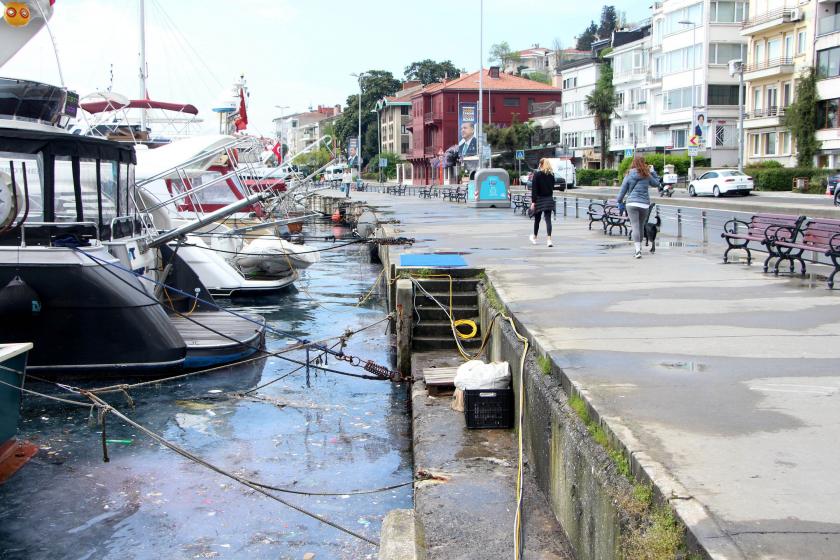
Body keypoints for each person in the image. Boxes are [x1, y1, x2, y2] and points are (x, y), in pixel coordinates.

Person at [616, 155, 660, 259]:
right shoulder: (647, 174)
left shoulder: (629, 174)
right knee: (640, 226)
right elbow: (657, 183)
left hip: (631, 203)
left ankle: (637, 250)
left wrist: (619, 201)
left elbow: (622, 190)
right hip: (644, 204)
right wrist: (653, 172)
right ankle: (639, 248)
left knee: (635, 226)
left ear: (633, 163)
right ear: (644, 163)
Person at [529, 158, 556, 247]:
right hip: (548, 199)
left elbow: (534, 190)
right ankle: (549, 240)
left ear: (540, 165)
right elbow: (552, 187)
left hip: (539, 199)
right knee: (548, 220)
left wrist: (533, 202)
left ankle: (535, 238)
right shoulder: (551, 175)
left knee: (537, 219)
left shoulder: (537, 175)